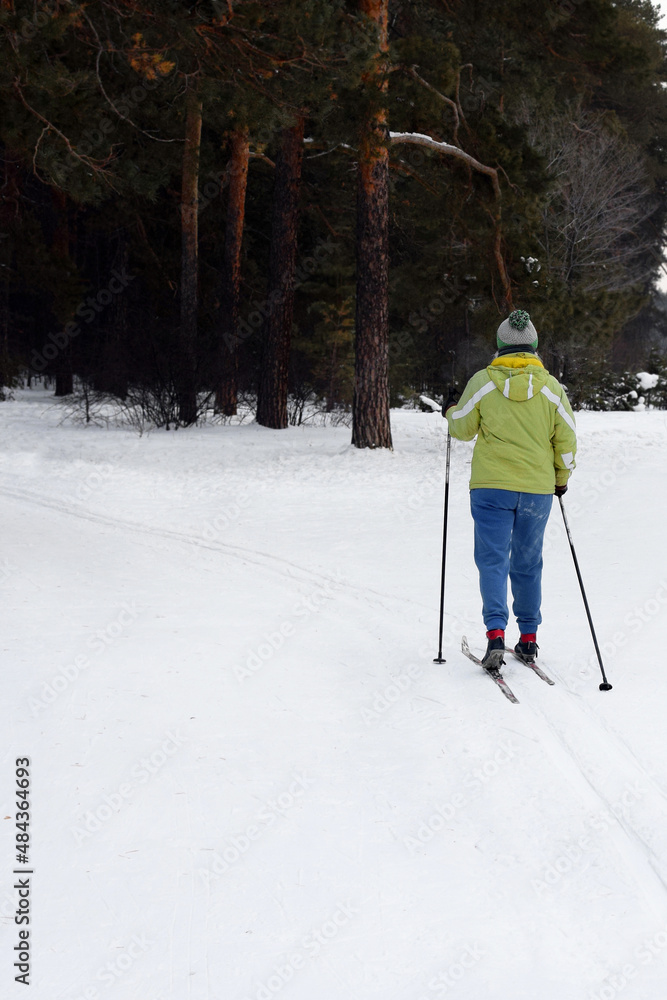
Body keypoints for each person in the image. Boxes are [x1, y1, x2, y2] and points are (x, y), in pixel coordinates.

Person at [444, 309, 577, 672]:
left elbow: (461, 427)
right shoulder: (551, 388)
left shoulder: (483, 381)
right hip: (536, 490)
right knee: (528, 561)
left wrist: (450, 409)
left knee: (492, 560)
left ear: (500, 346)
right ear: (533, 346)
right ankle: (529, 639)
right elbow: (566, 439)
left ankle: (496, 634)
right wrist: (561, 477)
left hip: (491, 489)